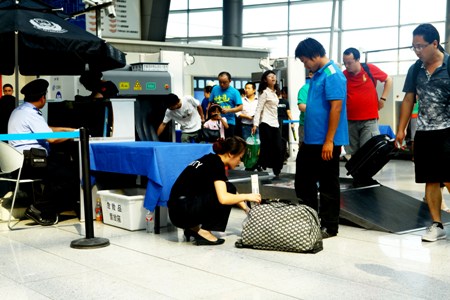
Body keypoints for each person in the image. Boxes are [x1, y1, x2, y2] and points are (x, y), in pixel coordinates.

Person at [395, 23, 450, 242]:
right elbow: (409, 98)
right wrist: (401, 128)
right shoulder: (415, 69)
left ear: (434, 44)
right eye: (414, 47)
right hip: (425, 132)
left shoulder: (449, 65)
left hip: (448, 130)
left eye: (421, 46)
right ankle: (436, 224)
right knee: (431, 179)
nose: (417, 51)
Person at [293, 38, 348, 239]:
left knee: (327, 184)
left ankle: (330, 226)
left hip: (326, 141)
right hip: (311, 141)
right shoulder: (317, 75)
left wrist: (329, 140)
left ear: (315, 55)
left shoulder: (333, 75)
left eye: (305, 60)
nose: (305, 64)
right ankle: (310, 218)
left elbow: (336, 108)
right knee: (303, 181)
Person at [168, 136, 261, 246]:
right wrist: (248, 196)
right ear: (231, 154)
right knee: (226, 193)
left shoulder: (209, 159)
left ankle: (193, 228)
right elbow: (224, 198)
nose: (239, 162)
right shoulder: (217, 165)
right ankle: (204, 232)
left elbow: (228, 189)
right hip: (183, 214)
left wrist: (246, 209)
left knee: (228, 187)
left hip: (176, 213)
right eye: (240, 158)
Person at [8, 79, 76, 226]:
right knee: (70, 176)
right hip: (30, 162)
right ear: (42, 98)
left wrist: (67, 130)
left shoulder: (20, 110)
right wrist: (76, 135)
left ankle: (47, 208)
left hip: (18, 161)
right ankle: (38, 208)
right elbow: (51, 139)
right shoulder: (31, 113)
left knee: (61, 168)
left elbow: (46, 129)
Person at [342, 47, 393, 157]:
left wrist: (383, 99)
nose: (347, 66)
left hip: (369, 120)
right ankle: (357, 174)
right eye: (345, 63)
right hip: (350, 120)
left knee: (369, 151)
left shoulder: (369, 69)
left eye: (349, 63)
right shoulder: (343, 75)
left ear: (357, 60)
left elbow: (388, 80)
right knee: (353, 154)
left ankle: (366, 174)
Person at [252, 70, 284, 178]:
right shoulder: (264, 93)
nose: (273, 78)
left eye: (274, 76)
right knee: (266, 146)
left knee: (278, 146)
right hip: (265, 122)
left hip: (275, 123)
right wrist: (255, 124)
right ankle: (262, 164)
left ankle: (276, 167)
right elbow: (258, 109)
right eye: (270, 76)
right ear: (265, 80)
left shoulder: (275, 93)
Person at [208, 72, 243, 138]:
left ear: (230, 81)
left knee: (228, 143)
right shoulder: (215, 89)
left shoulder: (235, 92)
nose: (222, 84)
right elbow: (210, 103)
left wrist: (228, 110)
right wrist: (208, 116)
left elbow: (240, 107)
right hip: (216, 121)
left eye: (224, 82)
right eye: (220, 82)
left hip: (229, 122)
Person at [278, 86, 295, 161]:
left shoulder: (274, 102)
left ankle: (279, 157)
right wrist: (292, 122)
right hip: (284, 122)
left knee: (279, 139)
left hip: (277, 122)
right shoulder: (285, 102)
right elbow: (289, 113)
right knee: (284, 140)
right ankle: (283, 157)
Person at [297, 71, 312, 144]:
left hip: (321, 125)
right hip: (306, 124)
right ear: (310, 75)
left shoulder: (323, 87)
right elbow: (301, 106)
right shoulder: (305, 89)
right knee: (304, 148)